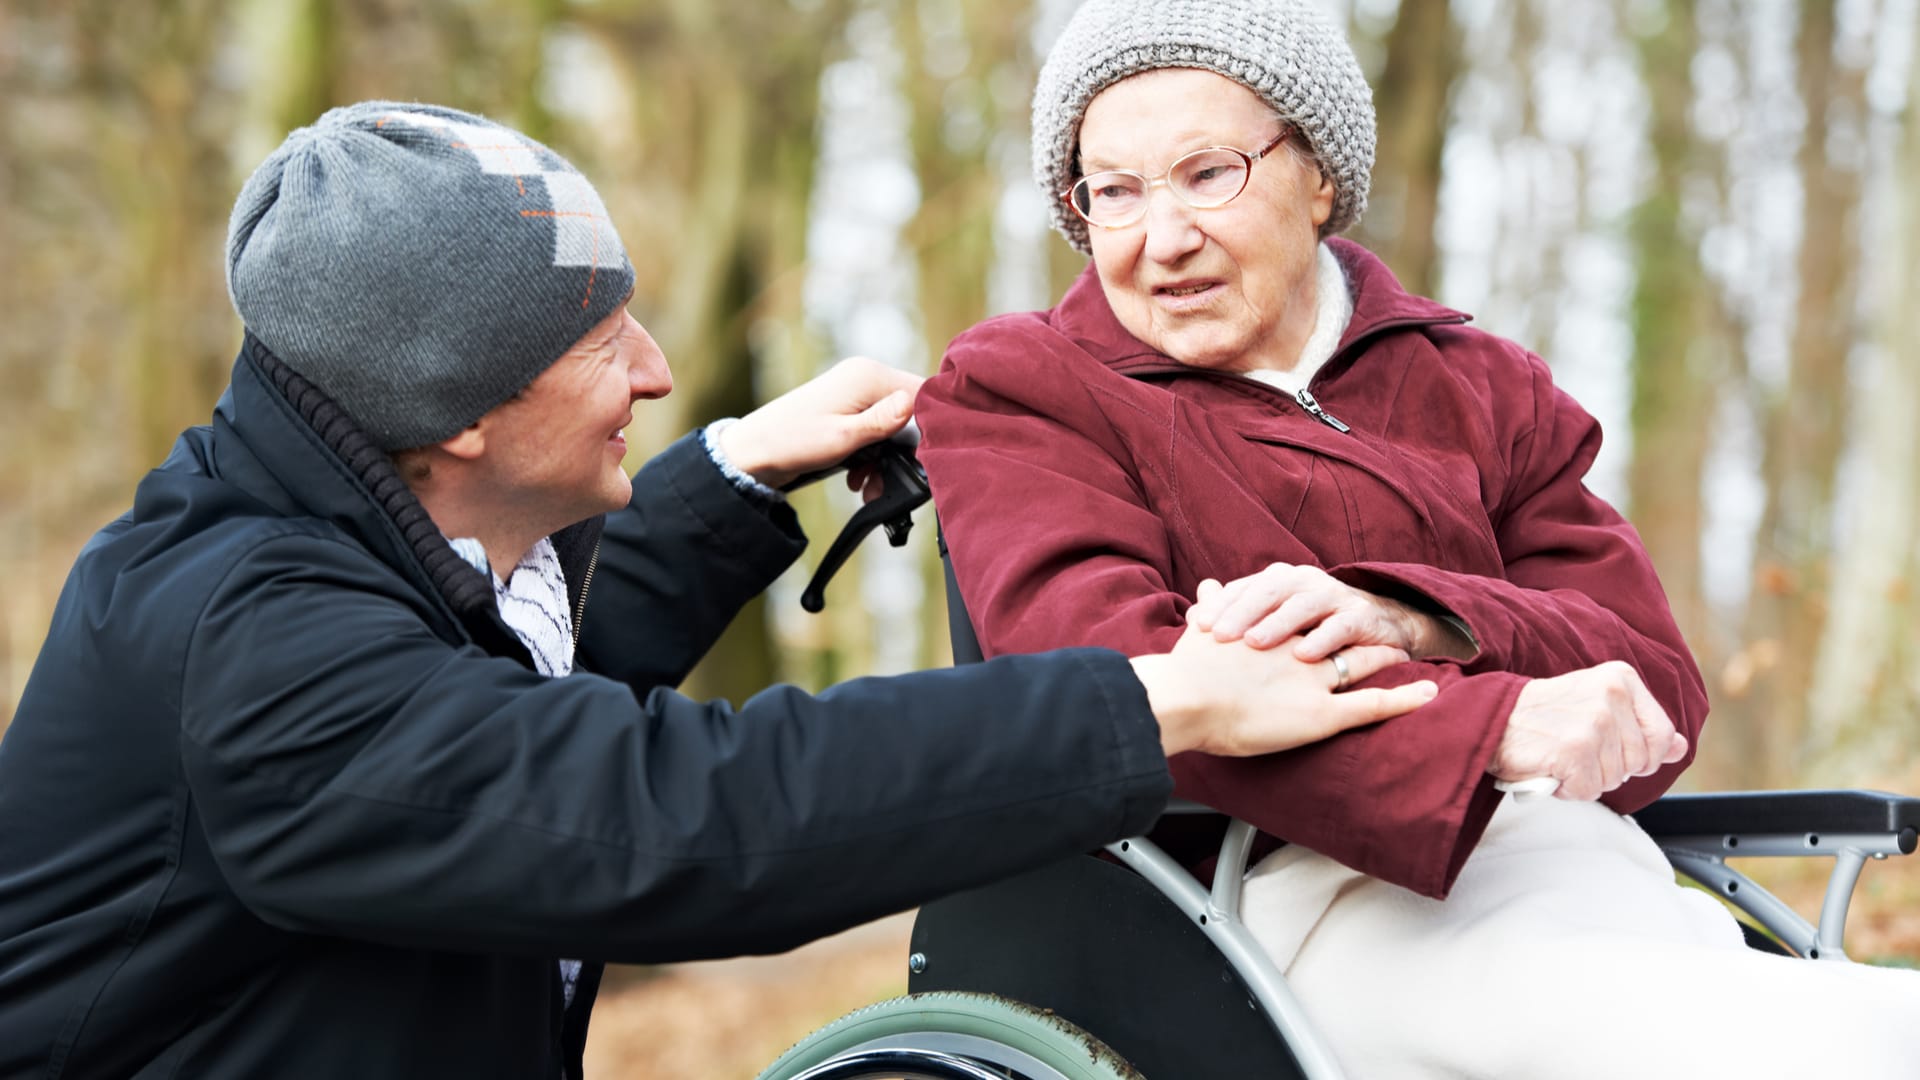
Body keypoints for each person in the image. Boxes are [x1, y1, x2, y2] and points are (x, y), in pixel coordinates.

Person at [0, 101, 1444, 1079]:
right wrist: (1150, 705)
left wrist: (738, 477)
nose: (657, 373)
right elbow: (653, 815)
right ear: (457, 418)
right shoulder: (250, 655)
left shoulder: (370, 533)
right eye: (600, 344)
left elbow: (503, 705)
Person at [915, 1, 1920, 1076]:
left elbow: (1652, 686)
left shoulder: (1480, 384)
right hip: (1263, 913)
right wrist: (1487, 728)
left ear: (1319, 179)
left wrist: (1418, 616)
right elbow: (1112, 683)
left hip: (1594, 874)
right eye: (1114, 193)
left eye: (1208, 173)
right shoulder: (1022, 391)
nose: (1162, 238)